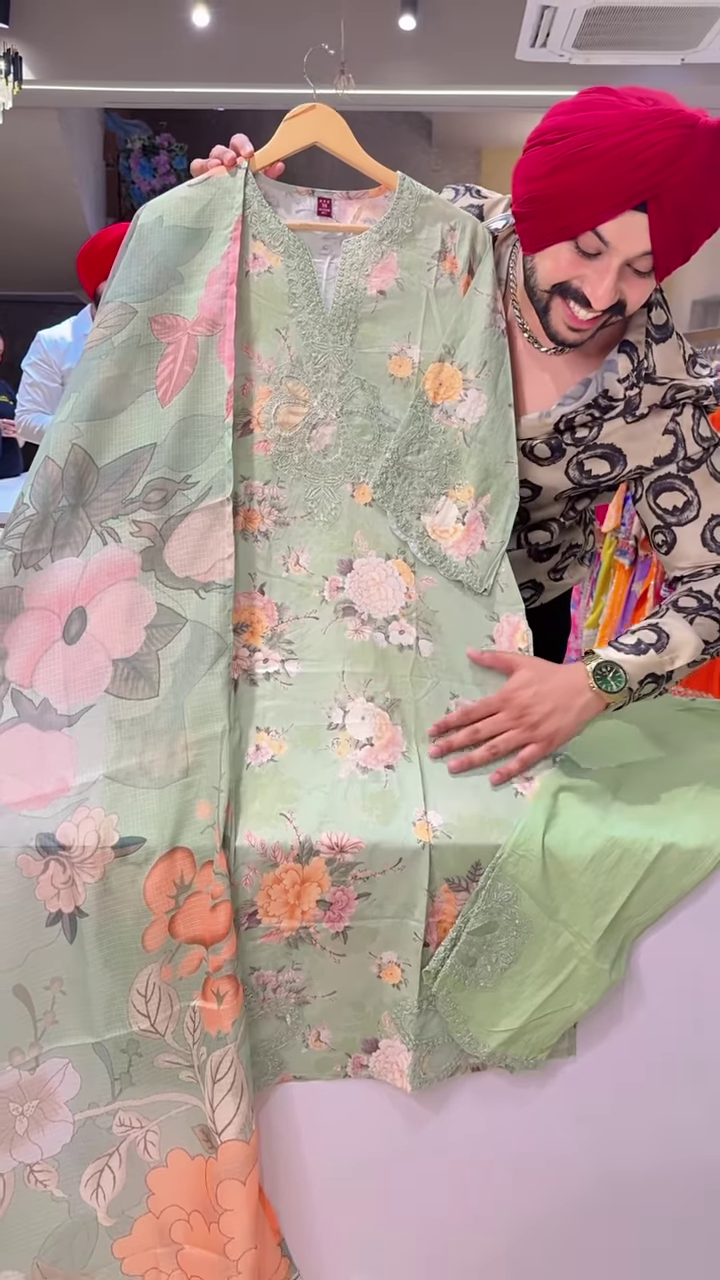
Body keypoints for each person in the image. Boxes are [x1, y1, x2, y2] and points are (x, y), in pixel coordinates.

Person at [190, 85, 720, 784]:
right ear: (540, 213)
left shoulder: (662, 396)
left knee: (468, 802)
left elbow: (713, 578)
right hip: (331, 578)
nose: (599, 294)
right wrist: (233, 215)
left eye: (640, 269)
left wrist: (596, 681)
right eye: (585, 248)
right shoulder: (443, 235)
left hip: (512, 618)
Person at [15, 221, 130, 445]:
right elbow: (27, 421)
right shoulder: (56, 341)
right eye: (117, 279)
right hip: (79, 463)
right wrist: (91, 430)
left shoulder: (166, 332)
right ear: (96, 286)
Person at [0, 330, 23, 478]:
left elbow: (21, 440)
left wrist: (19, 432)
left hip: (11, 476)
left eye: (0, 353)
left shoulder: (4, 387)